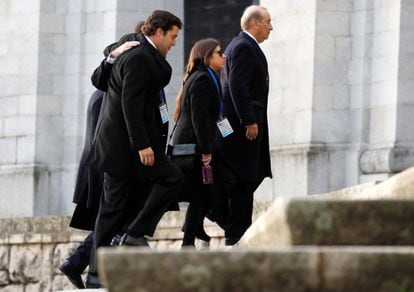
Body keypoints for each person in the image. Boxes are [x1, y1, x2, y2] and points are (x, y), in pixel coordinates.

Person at [85, 10, 184, 288]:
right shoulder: (138, 57)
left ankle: (134, 235)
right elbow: (130, 103)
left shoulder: (145, 55)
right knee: (111, 209)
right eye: (173, 36)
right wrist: (142, 144)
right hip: (123, 149)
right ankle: (97, 272)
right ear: (159, 32)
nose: (175, 43)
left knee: (166, 181)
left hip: (134, 148)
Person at [59, 40, 139, 289]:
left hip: (104, 165)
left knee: (112, 219)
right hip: (106, 165)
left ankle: (78, 262)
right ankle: (88, 266)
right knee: (116, 219)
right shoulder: (105, 94)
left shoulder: (102, 94)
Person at [211, 5, 273, 246]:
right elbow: (236, 86)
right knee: (244, 179)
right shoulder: (245, 47)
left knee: (247, 177)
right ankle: (235, 231)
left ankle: (234, 229)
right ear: (255, 23)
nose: (270, 27)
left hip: (243, 125)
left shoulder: (241, 46)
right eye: (268, 21)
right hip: (244, 127)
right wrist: (249, 120)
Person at [171, 38, 235, 248]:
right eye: (218, 52)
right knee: (212, 188)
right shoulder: (201, 79)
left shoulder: (206, 77)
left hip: (200, 143)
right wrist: (206, 150)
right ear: (207, 57)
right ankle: (193, 237)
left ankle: (191, 236)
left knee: (202, 192)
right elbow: (199, 118)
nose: (223, 55)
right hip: (196, 146)